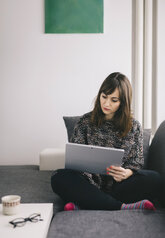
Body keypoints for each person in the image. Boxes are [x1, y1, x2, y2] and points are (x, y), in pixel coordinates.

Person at [51, 72, 162, 211]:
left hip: (120, 186)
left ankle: (85, 203)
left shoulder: (134, 126)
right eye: (104, 97)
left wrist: (127, 172)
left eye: (114, 100)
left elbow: (137, 161)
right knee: (58, 177)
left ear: (123, 102)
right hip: (87, 184)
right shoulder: (84, 122)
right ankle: (120, 206)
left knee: (154, 178)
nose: (106, 103)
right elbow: (75, 158)